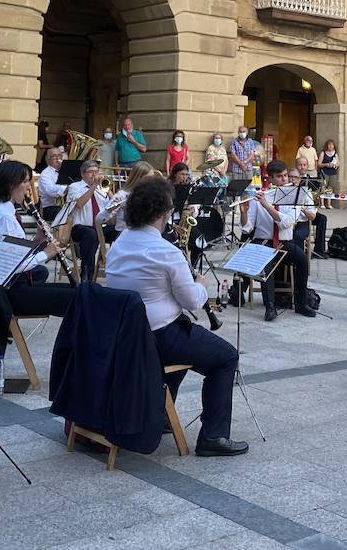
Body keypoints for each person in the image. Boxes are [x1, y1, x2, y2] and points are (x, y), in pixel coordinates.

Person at [106, 175, 247, 457]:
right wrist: (201, 284)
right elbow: (192, 301)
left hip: (125, 335)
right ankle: (214, 436)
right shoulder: (165, 251)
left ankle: (159, 415)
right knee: (226, 356)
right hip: (159, 335)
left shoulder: (120, 242)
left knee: (186, 354)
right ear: (161, 212)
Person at [0, 160, 76, 324]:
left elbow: (15, 253)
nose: (28, 187)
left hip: (11, 285)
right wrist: (45, 254)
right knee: (77, 297)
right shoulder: (4, 217)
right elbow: (13, 265)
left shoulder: (2, 209)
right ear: (11, 184)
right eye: (24, 182)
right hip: (8, 293)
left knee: (79, 292)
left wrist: (38, 240)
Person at [240, 160, 315, 321]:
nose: (285, 180)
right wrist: (244, 212)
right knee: (266, 267)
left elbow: (286, 223)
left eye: (286, 176)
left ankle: (301, 303)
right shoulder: (259, 196)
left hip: (283, 242)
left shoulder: (294, 196)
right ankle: (270, 307)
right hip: (264, 242)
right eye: (280, 177)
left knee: (302, 259)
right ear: (271, 178)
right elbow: (247, 228)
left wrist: (267, 206)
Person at [60, 159, 108, 281]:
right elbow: (79, 203)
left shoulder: (101, 188)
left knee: (120, 230)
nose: (94, 175)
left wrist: (111, 192)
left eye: (96, 172)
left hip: (99, 227)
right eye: (90, 172)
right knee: (91, 234)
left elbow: (108, 209)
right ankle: (86, 278)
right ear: (82, 174)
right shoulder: (74, 187)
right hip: (79, 228)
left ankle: (113, 263)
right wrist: (93, 187)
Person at [97, 161, 155, 244]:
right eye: (148, 179)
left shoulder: (151, 195)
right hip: (124, 236)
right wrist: (111, 208)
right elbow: (99, 219)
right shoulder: (122, 195)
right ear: (138, 178)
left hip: (144, 236)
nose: (152, 182)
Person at [36, 145, 67, 222]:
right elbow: (51, 190)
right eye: (54, 156)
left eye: (60, 156)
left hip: (63, 206)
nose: (58, 158)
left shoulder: (66, 172)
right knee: (65, 213)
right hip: (49, 208)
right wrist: (67, 188)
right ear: (48, 160)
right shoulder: (45, 174)